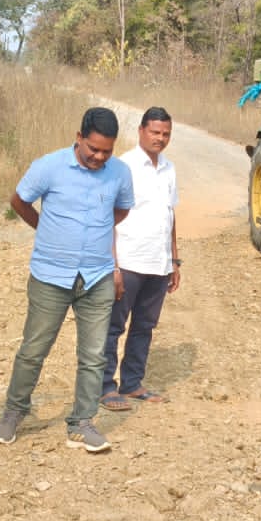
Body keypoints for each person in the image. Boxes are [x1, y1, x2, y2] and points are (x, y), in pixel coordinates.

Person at [0, 107, 134, 454]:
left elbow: (122, 209)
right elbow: (19, 201)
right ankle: (13, 412)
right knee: (33, 350)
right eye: (93, 149)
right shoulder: (48, 167)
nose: (100, 157)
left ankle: (83, 423)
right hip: (50, 276)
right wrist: (47, 230)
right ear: (79, 137)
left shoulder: (120, 173)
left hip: (97, 276)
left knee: (94, 355)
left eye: (107, 151)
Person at [101, 107, 180, 412]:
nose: (160, 139)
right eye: (155, 132)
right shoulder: (123, 167)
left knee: (144, 326)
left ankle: (132, 384)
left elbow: (170, 214)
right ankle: (106, 387)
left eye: (166, 134)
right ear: (141, 131)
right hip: (129, 260)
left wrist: (174, 260)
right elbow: (107, 217)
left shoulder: (169, 168)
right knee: (112, 327)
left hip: (158, 262)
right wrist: (114, 265)